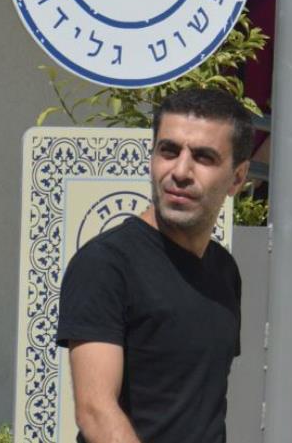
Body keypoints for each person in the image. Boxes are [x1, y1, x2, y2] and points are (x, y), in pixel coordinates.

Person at [57, 88, 253, 443]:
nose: (180, 171)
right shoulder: (106, 264)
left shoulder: (225, 270)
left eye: (204, 157)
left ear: (237, 179)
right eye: (168, 151)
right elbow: (96, 412)